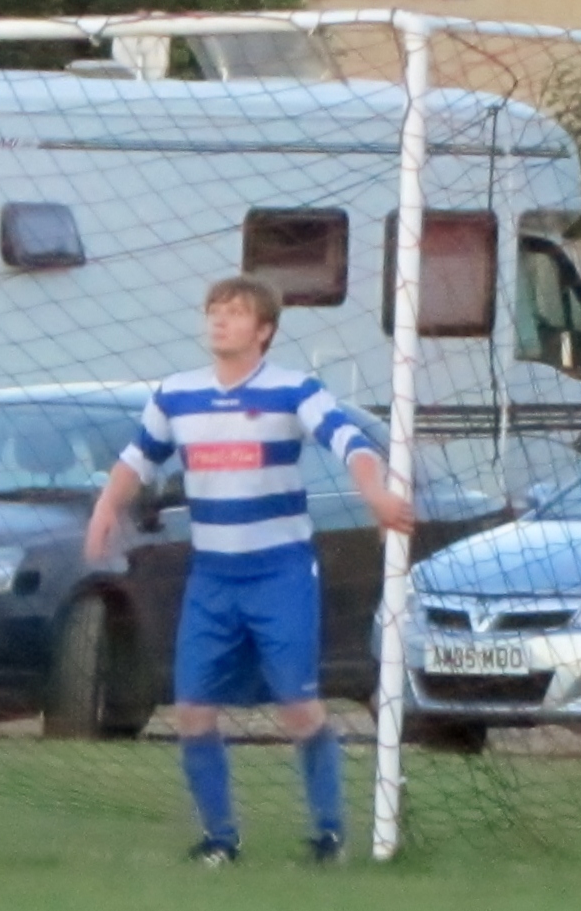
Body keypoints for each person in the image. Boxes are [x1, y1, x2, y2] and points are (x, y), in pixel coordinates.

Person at [81, 276, 413, 867]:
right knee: (191, 711)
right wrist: (106, 509)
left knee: (298, 710)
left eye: (234, 312)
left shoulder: (293, 390)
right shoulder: (176, 395)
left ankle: (330, 835)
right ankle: (220, 840)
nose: (219, 320)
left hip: (281, 575)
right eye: (214, 310)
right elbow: (135, 459)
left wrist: (376, 495)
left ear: (264, 331)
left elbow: (351, 443)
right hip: (211, 579)